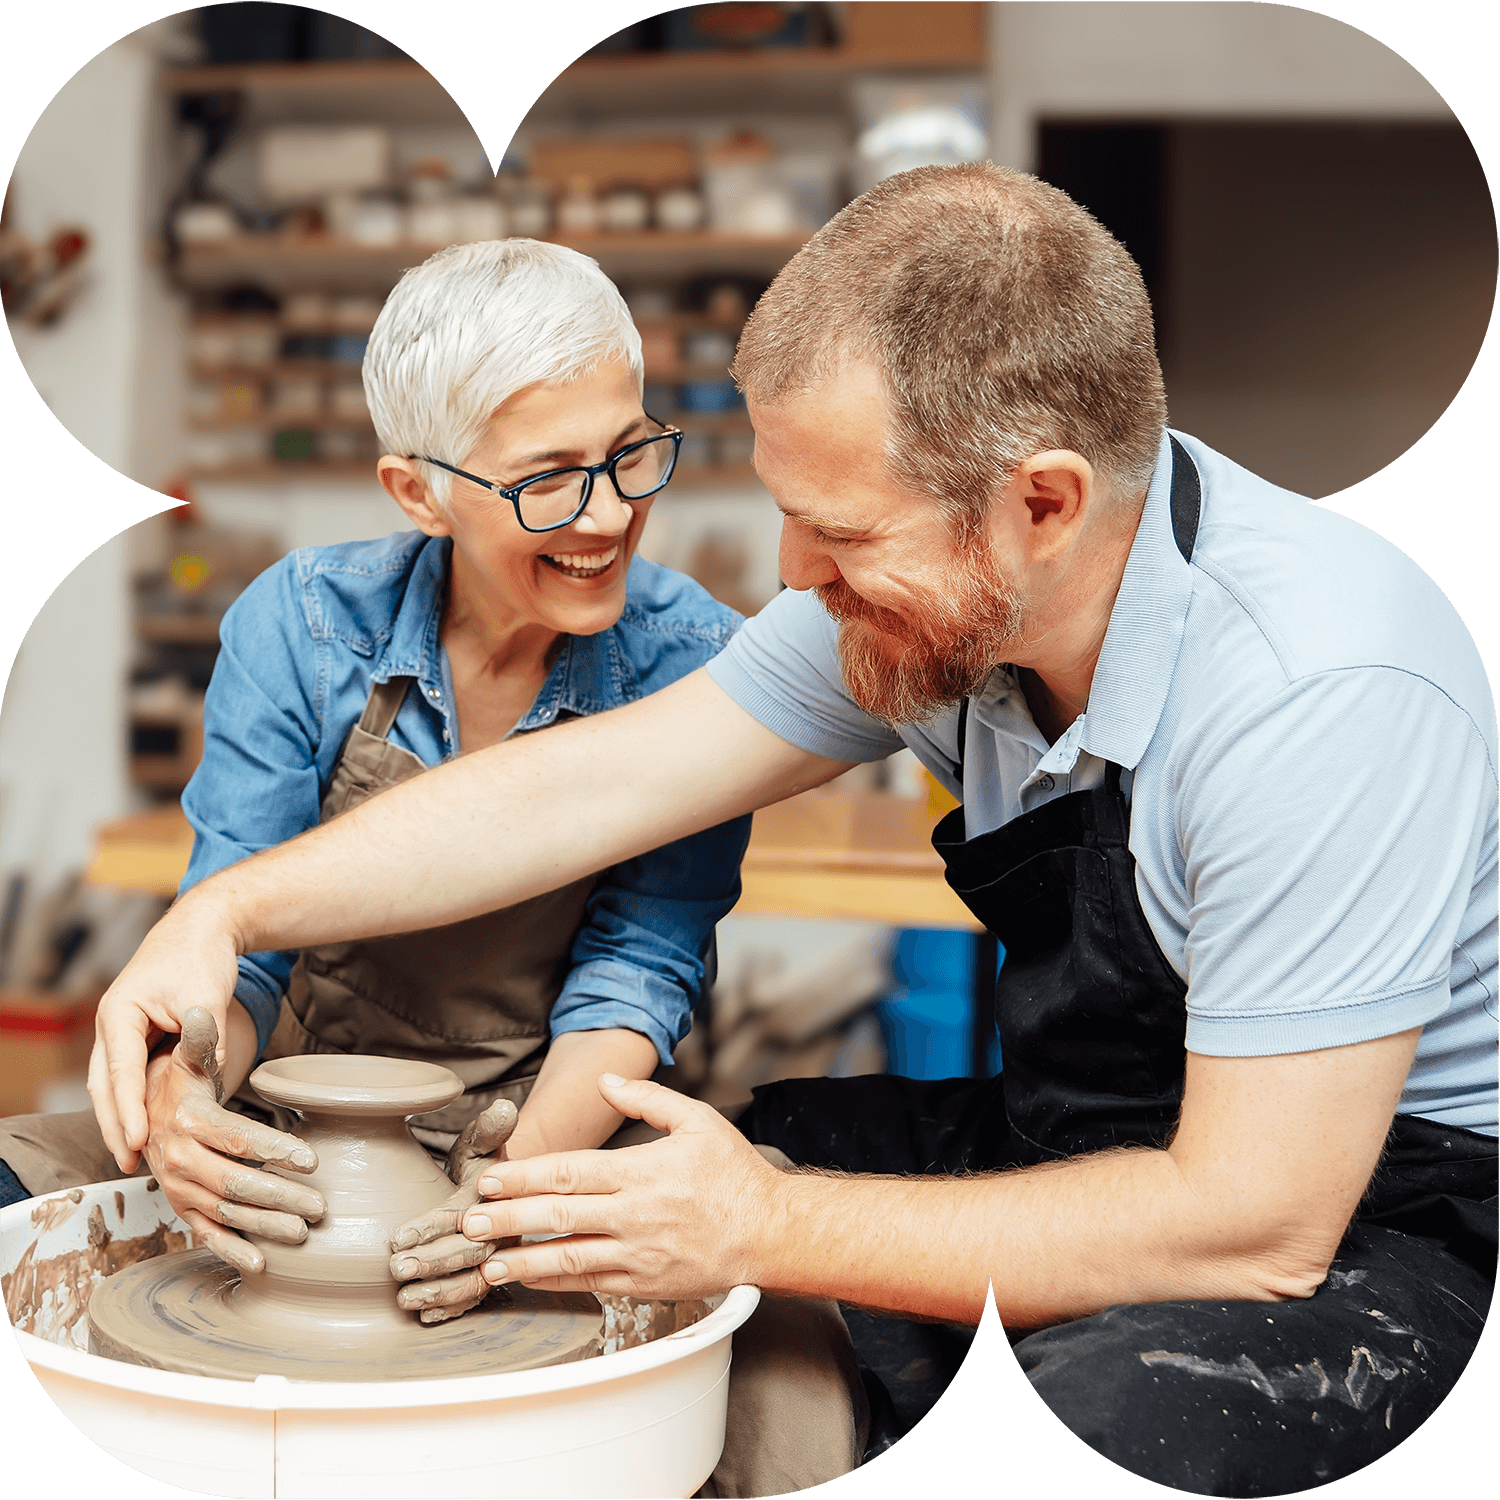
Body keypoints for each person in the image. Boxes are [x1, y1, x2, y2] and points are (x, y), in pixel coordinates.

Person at [85, 165, 1494, 1494]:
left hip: (1380, 1222)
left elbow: (1253, 1226)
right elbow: (586, 788)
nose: (787, 573)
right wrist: (224, 915)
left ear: (1042, 505)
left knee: (1095, 1402)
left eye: (837, 531)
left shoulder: (1321, 687)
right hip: (1091, 1131)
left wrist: (764, 1223)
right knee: (643, 1199)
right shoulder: (924, 597)